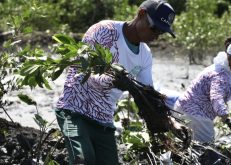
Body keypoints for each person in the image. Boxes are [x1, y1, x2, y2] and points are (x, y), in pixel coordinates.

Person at [54, 0, 181, 164]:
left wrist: (171, 122)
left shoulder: (145, 56)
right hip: (74, 110)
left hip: (103, 119)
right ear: (141, 14)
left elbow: (148, 94)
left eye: (161, 32)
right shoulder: (104, 31)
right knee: (82, 160)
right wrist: (112, 80)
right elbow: (82, 72)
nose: (156, 36)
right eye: (154, 28)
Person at [174, 38, 231, 143]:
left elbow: (225, 92)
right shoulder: (220, 75)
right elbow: (216, 97)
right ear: (230, 58)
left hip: (185, 110)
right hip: (195, 115)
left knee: (184, 146)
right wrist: (228, 120)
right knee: (206, 149)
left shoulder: (223, 69)